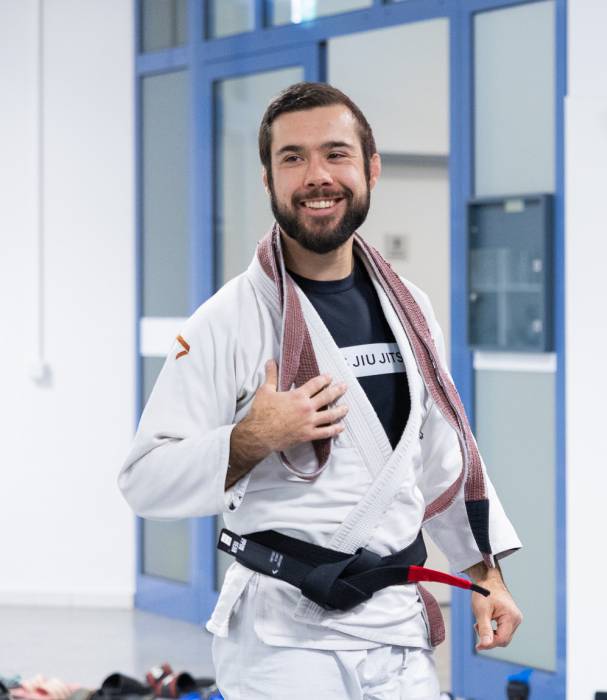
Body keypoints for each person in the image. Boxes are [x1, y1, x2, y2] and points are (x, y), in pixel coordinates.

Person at [119, 82, 522, 700]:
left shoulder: (411, 307)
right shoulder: (227, 322)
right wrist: (252, 438)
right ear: (268, 179)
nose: (317, 176)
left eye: (336, 154)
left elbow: (443, 455)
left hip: (397, 631)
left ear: (371, 168)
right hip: (285, 639)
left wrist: (485, 573)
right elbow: (145, 479)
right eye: (293, 158)